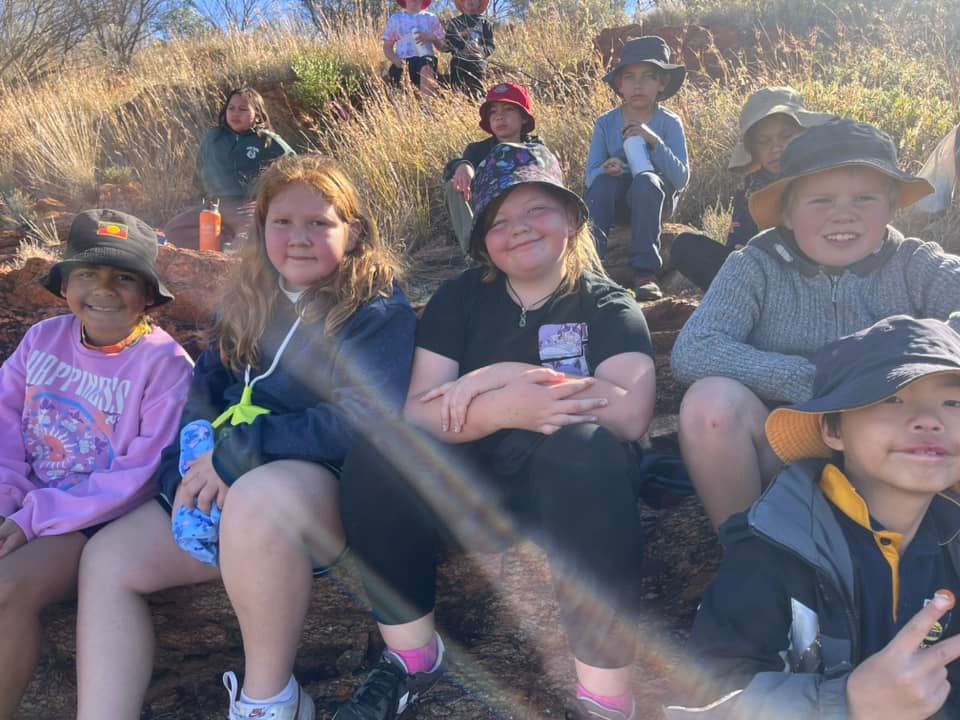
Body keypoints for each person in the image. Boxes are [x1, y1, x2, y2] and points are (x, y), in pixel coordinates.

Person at [75, 155, 417, 720]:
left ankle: (269, 699)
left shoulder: (375, 310)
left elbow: (360, 419)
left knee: (258, 499)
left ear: (353, 232)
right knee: (109, 558)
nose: (298, 238)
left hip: (317, 492)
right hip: (227, 479)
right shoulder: (247, 303)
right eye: (282, 222)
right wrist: (183, 470)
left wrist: (237, 457)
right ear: (260, 230)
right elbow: (201, 398)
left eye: (319, 223)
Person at [334, 143, 657, 720]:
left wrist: (501, 382)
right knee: (379, 455)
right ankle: (412, 659)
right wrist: (507, 405)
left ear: (572, 218)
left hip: (574, 499)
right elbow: (421, 411)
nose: (520, 229)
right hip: (474, 487)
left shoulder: (608, 304)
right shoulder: (461, 300)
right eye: (500, 221)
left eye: (537, 211)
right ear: (482, 239)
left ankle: (605, 699)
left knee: (582, 448)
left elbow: (629, 411)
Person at [671, 118, 960, 531]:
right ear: (787, 213)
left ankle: (933, 545)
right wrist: (810, 381)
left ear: (893, 206)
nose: (844, 216)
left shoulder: (915, 262)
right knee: (708, 403)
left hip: (897, 436)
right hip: (789, 446)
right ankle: (747, 550)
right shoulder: (755, 265)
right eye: (821, 201)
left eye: (864, 199)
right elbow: (695, 348)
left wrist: (894, 378)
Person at [666, 315, 960, 719]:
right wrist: (849, 703)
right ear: (833, 430)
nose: (929, 420)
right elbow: (702, 701)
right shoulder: (770, 548)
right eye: (891, 398)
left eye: (953, 403)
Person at [0, 209, 192, 719]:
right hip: (24, 503)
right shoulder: (42, 340)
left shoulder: (166, 366)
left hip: (92, 520)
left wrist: (33, 518)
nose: (103, 289)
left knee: (6, 589)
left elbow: (139, 475)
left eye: (123, 277)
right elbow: (4, 423)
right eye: (87, 273)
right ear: (64, 284)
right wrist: (9, 500)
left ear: (148, 295)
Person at [671, 86, 834, 292]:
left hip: (813, 276)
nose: (776, 147)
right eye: (764, 141)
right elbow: (738, 243)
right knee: (686, 247)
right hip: (758, 273)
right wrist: (743, 253)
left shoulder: (826, 176)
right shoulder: (750, 188)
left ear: (804, 134)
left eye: (785, 136)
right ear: (753, 150)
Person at [585, 35, 690, 301]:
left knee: (647, 181)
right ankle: (592, 266)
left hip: (656, 199)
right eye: (629, 77)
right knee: (603, 183)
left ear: (662, 84)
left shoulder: (669, 122)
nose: (638, 85)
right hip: (617, 202)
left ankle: (644, 272)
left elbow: (681, 178)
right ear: (619, 85)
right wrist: (607, 168)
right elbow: (590, 176)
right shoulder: (605, 123)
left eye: (648, 77)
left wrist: (653, 141)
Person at [162, 87, 294, 250]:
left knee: (249, 236)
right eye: (231, 108)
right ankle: (223, 242)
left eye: (243, 109)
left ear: (258, 116)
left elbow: (293, 164)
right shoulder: (213, 138)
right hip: (213, 205)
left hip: (247, 206)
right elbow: (200, 169)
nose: (235, 113)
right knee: (173, 231)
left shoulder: (266, 139)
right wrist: (201, 196)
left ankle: (231, 251)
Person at [443, 82, 541, 253]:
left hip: (525, 214)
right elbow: (451, 168)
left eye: (508, 109)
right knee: (454, 186)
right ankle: (475, 252)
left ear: (524, 117)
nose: (499, 117)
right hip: (489, 216)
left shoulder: (536, 148)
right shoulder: (477, 150)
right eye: (493, 112)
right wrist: (463, 166)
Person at [383, 0, 444, 96]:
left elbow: (442, 46)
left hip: (425, 58)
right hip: (403, 61)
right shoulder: (396, 19)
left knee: (426, 67)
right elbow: (387, 46)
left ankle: (428, 107)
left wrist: (431, 37)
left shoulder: (430, 18)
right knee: (396, 81)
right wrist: (395, 59)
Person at [443, 0, 495, 97]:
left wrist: (482, 51)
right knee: (456, 85)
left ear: (479, 3)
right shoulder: (454, 22)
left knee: (477, 85)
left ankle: (478, 98)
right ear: (462, 3)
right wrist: (461, 41)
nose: (470, 1)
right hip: (459, 59)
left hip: (478, 59)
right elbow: (447, 44)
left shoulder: (485, 23)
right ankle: (457, 99)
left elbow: (491, 45)